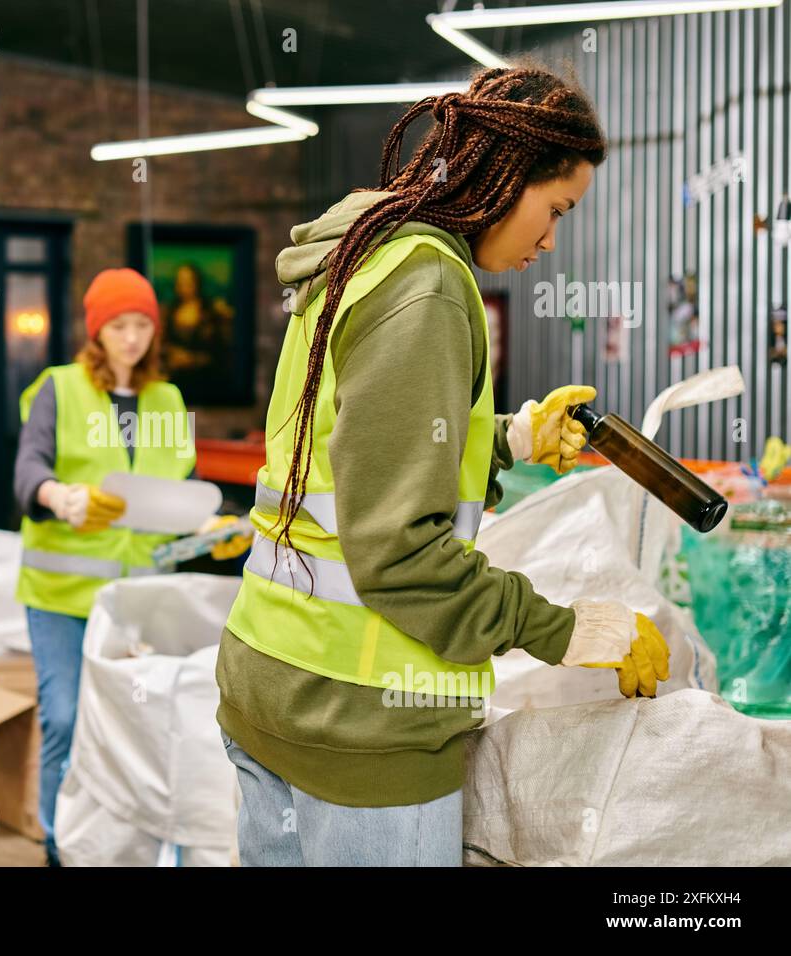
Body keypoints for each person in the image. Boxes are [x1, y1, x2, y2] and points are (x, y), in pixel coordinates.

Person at [217, 66, 671, 867]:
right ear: (504, 176)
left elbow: (351, 444)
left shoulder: (367, 252)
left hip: (273, 677)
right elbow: (400, 555)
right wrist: (561, 630)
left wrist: (507, 439)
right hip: (361, 721)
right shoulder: (426, 287)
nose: (551, 241)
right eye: (555, 210)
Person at [14, 266, 249, 866]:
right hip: (62, 595)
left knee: (134, 723)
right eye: (118, 324)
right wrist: (59, 497)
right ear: (97, 330)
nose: (131, 337)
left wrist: (213, 522)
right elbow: (28, 469)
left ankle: (123, 845)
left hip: (140, 601)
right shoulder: (59, 389)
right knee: (65, 719)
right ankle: (56, 844)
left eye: (142, 323)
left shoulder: (165, 399)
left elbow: (182, 486)